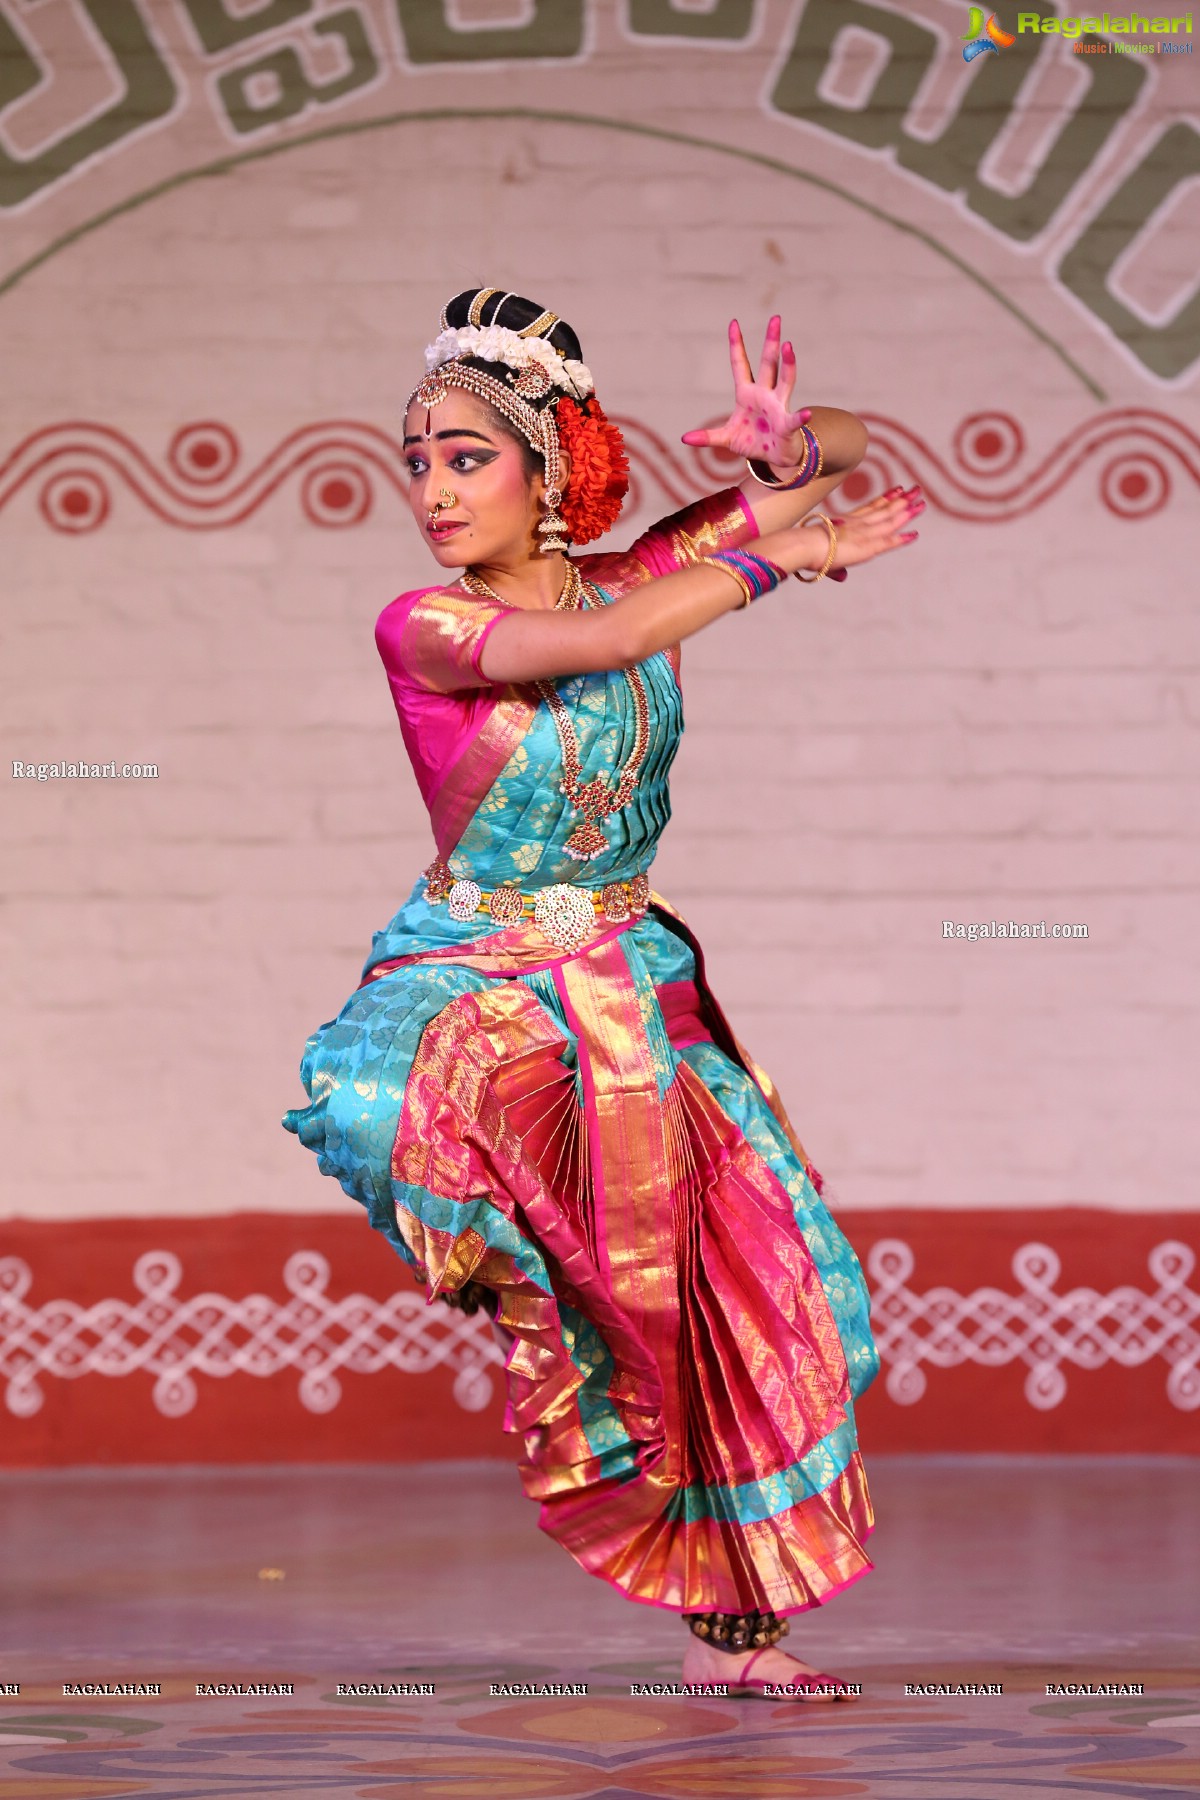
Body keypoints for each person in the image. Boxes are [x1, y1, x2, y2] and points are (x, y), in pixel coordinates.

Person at [282, 287, 924, 1703]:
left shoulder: (638, 567)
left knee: (746, 1280)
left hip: (633, 984)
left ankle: (736, 1637)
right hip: (483, 986)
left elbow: (845, 458)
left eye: (466, 457)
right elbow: (596, 648)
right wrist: (790, 548)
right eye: (419, 460)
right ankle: (532, 1281)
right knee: (514, 1228)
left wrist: (789, 453)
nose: (434, 491)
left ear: (549, 465)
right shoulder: (427, 625)